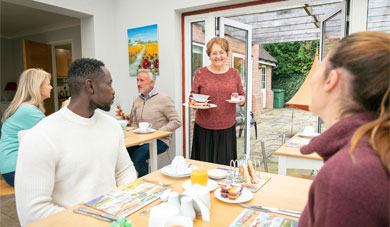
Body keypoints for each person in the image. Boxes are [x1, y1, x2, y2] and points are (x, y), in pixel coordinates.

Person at [15, 58, 137, 225]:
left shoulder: (112, 126)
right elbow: (32, 213)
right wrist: (96, 219)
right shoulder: (41, 137)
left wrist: (123, 202)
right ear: (91, 86)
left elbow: (125, 170)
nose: (113, 91)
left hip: (113, 218)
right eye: (109, 84)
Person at [299, 32, 389, 226]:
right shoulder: (372, 150)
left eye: (319, 67)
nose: (312, 79)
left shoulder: (347, 175)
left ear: (331, 79)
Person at [190, 37, 246, 165]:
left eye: (221, 52)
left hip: (227, 128)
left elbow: (242, 95)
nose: (218, 56)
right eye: (214, 53)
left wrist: (241, 100)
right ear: (209, 55)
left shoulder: (234, 73)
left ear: (227, 54)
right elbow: (192, 97)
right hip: (204, 129)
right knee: (203, 168)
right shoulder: (201, 73)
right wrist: (197, 103)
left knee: (225, 169)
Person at [0, 68, 52, 187]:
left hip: (11, 170)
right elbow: (55, 132)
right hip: (15, 171)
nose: (51, 88)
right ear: (38, 87)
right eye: (48, 84)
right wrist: (66, 110)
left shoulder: (26, 108)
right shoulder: (27, 110)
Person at [128, 69, 181, 177]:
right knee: (123, 152)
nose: (138, 84)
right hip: (140, 140)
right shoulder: (136, 100)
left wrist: (158, 132)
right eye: (137, 80)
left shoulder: (163, 99)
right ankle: (131, 181)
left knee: (138, 156)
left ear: (151, 83)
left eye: (141, 80)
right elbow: (133, 122)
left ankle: (146, 182)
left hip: (160, 141)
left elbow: (177, 121)